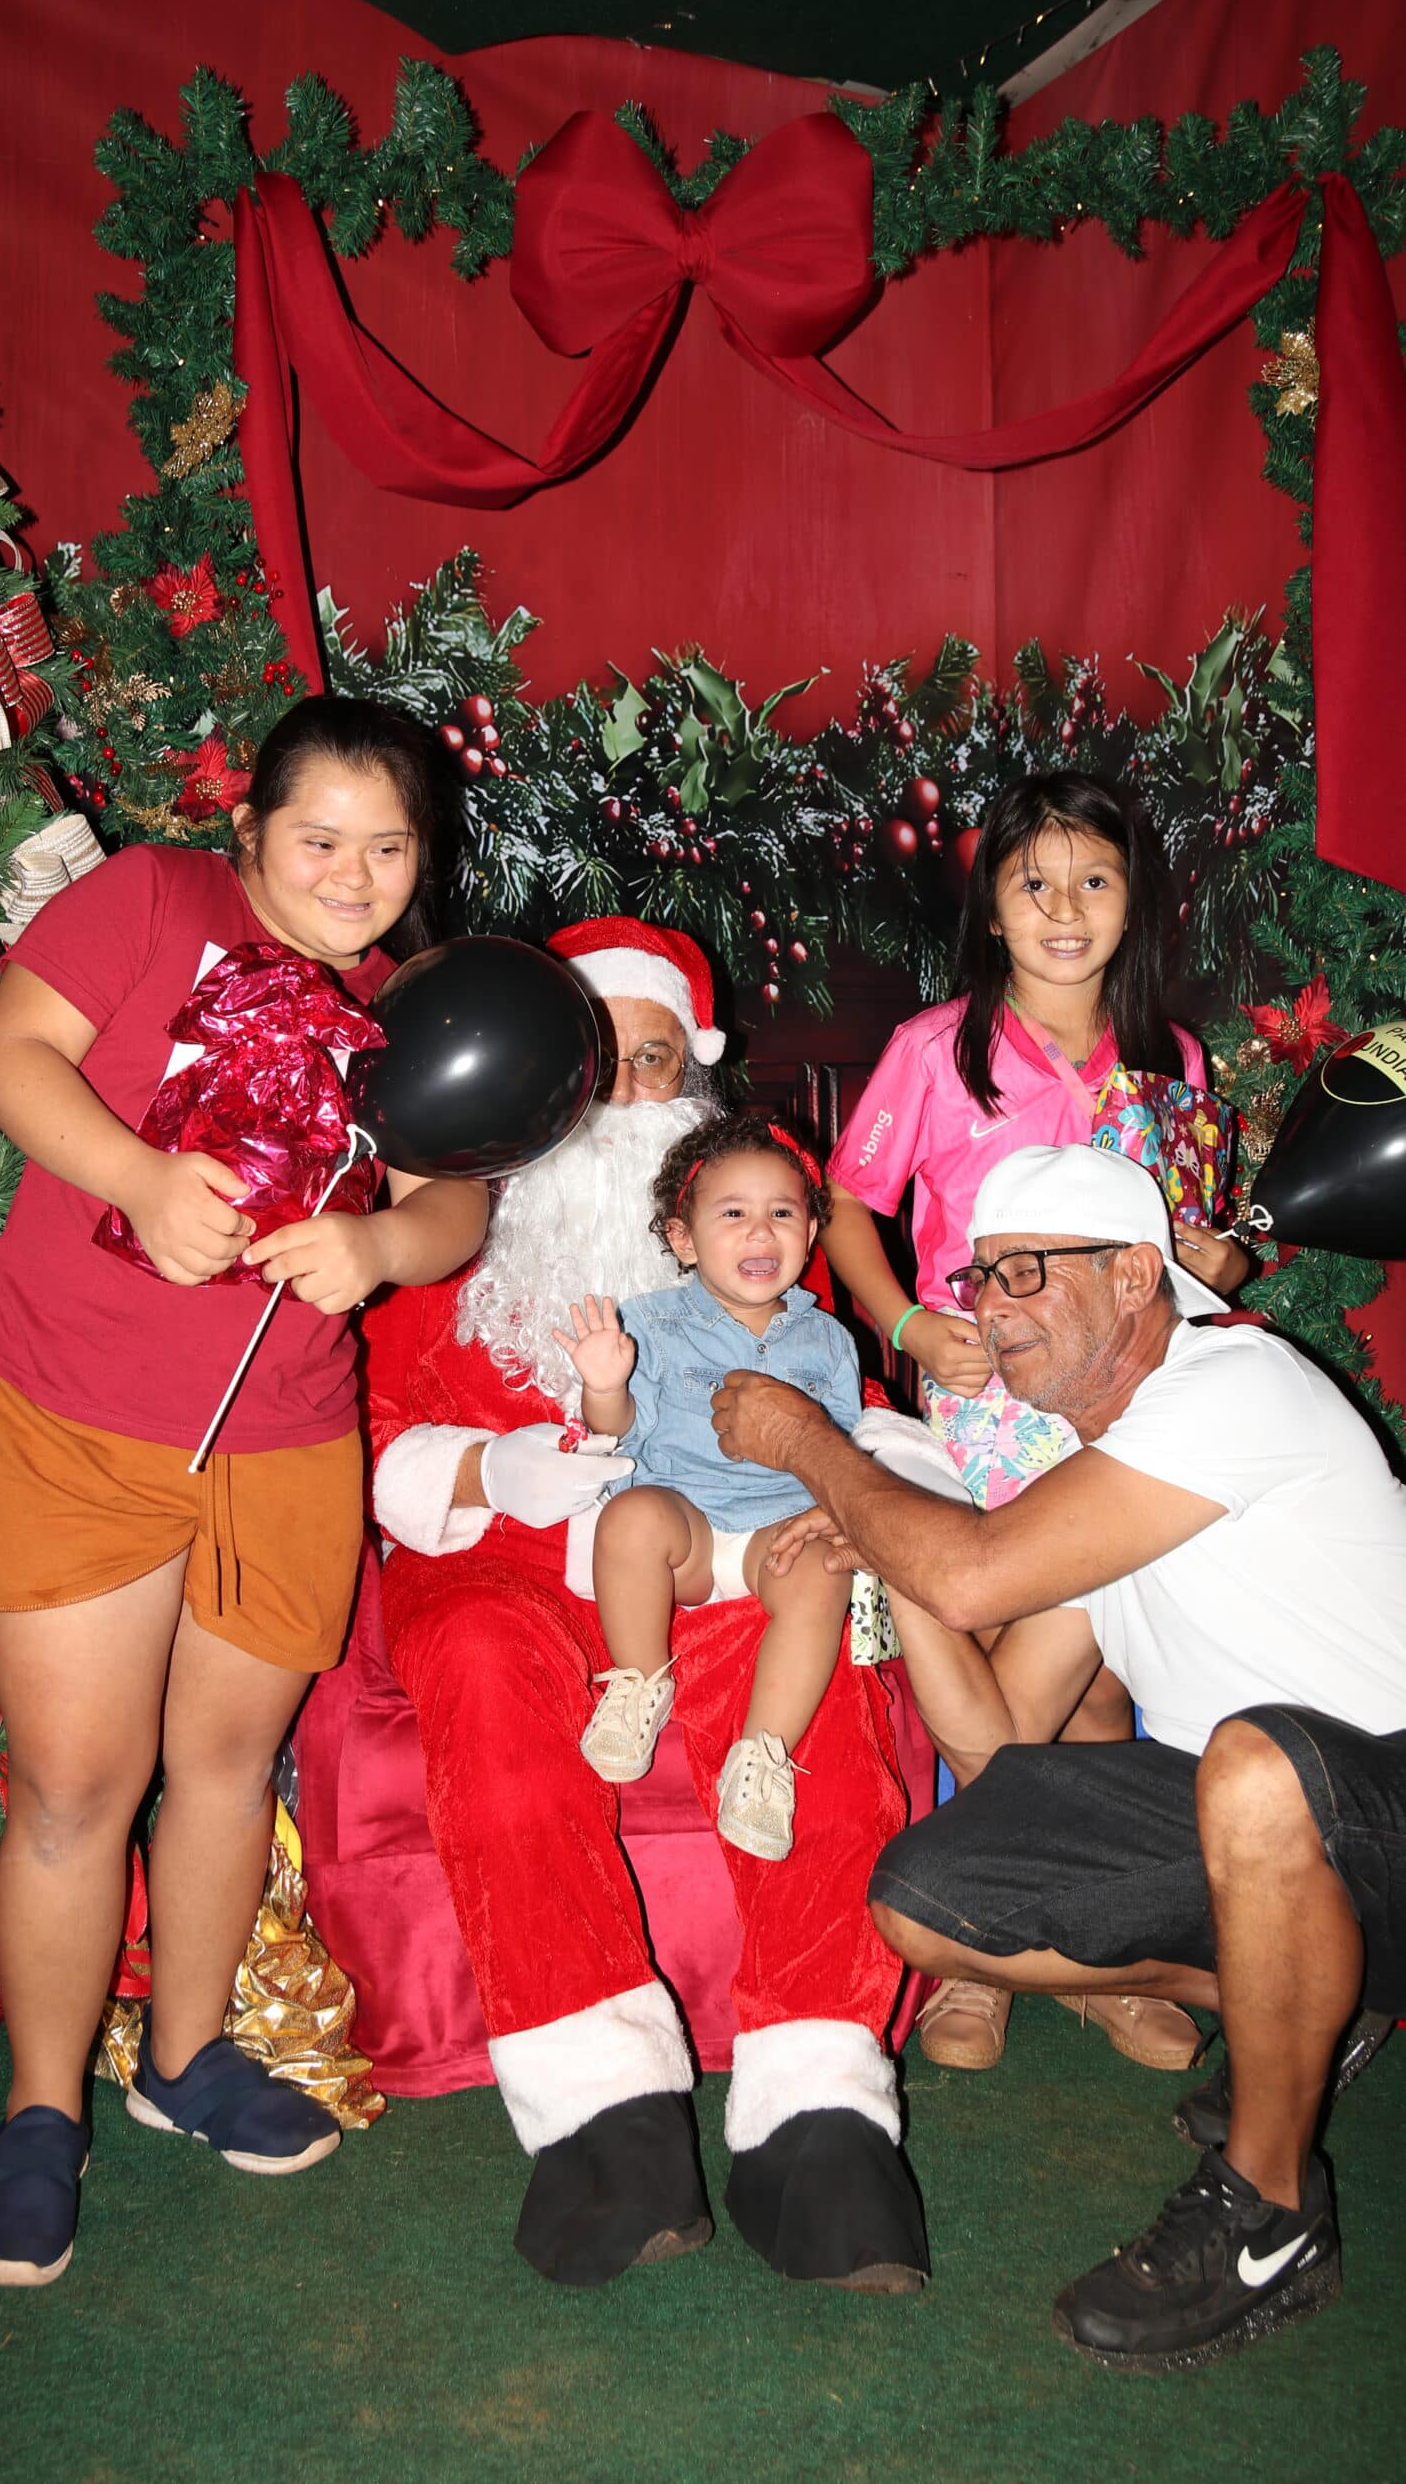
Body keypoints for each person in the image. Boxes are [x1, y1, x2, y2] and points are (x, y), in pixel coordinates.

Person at [0, 697, 488, 2287]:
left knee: (227, 1769)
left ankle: (184, 2056)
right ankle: (39, 2114)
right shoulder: (150, 899)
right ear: (248, 831)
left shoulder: (404, 1009)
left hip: (288, 1441)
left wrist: (380, 1242)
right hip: (72, 1417)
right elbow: (5, 1055)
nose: (352, 876)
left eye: (387, 848)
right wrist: (136, 1174)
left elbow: (452, 1200)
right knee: (71, 1788)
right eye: (317, 838)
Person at [711, 1143, 1406, 2374]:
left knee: (1255, 1766)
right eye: (981, 1276)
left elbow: (976, 1570)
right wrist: (898, 1566)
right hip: (1261, 1819)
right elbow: (997, 1748)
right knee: (929, 1897)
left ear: (1137, 1274)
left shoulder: (1232, 1387)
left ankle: (1270, 2213)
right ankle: (1316, 2003)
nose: (992, 1306)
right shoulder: (1113, 1471)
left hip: (1375, 1790)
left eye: (1028, 1271)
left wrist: (813, 1444)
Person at [362, 916, 927, 2291]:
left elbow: (847, 1396)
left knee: (816, 1689)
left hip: (722, 1542)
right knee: (479, 1667)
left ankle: (818, 2114)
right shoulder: (453, 1233)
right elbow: (373, 1435)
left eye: (653, 1062)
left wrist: (878, 1485)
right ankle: (602, 2116)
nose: (620, 1094)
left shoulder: (751, 1244)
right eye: (593, 1065)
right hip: (504, 1549)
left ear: (695, 1081)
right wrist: (488, 1465)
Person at [823, 768, 1249, 2072]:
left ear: (1134, 899)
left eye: (1093, 880)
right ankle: (983, 1952)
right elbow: (847, 1206)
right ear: (992, 908)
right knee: (1019, 1641)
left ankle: (1088, 1949)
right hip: (987, 1398)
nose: (1064, 909)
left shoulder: (1170, 1061)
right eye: (1034, 884)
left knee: (1109, 1670)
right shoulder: (935, 1049)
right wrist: (906, 1324)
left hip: (1126, 1403)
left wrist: (1213, 1264)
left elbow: (1191, 1246)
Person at [558, 1113, 862, 1861]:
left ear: (810, 1234)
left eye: (782, 1214)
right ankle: (638, 1682)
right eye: (733, 1214)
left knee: (824, 1569)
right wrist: (605, 1385)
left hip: (775, 1535)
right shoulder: (650, 1323)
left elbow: (841, 1451)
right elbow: (617, 1432)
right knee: (630, 1516)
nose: (760, 1232)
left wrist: (835, 1511)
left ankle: (761, 1757)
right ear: (684, 1239)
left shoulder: (828, 1339)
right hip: (685, 1531)